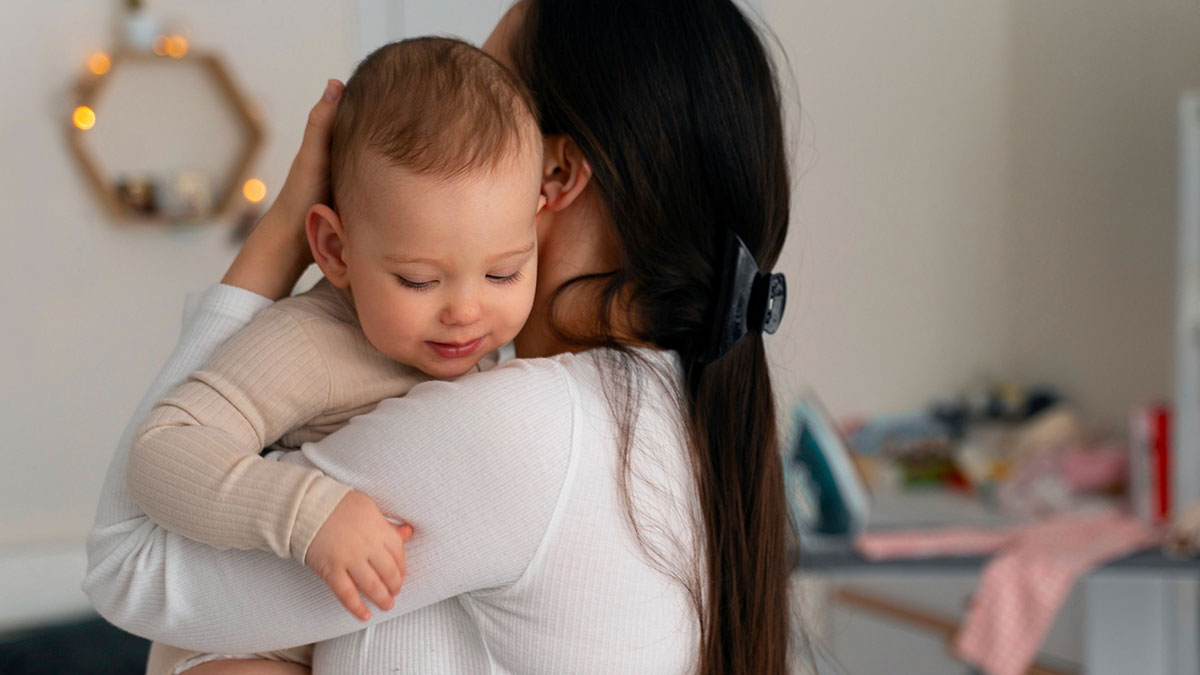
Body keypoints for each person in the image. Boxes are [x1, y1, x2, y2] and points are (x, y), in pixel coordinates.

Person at [84, 1, 800, 673]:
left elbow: (127, 561)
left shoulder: (528, 431)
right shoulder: (667, 407)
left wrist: (279, 236)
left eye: (495, 106)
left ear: (553, 172)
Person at [126, 36, 544, 675]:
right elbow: (162, 449)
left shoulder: (501, 354)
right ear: (334, 249)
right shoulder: (308, 341)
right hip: (234, 648)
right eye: (419, 281)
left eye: (504, 273)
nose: (466, 311)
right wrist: (308, 512)